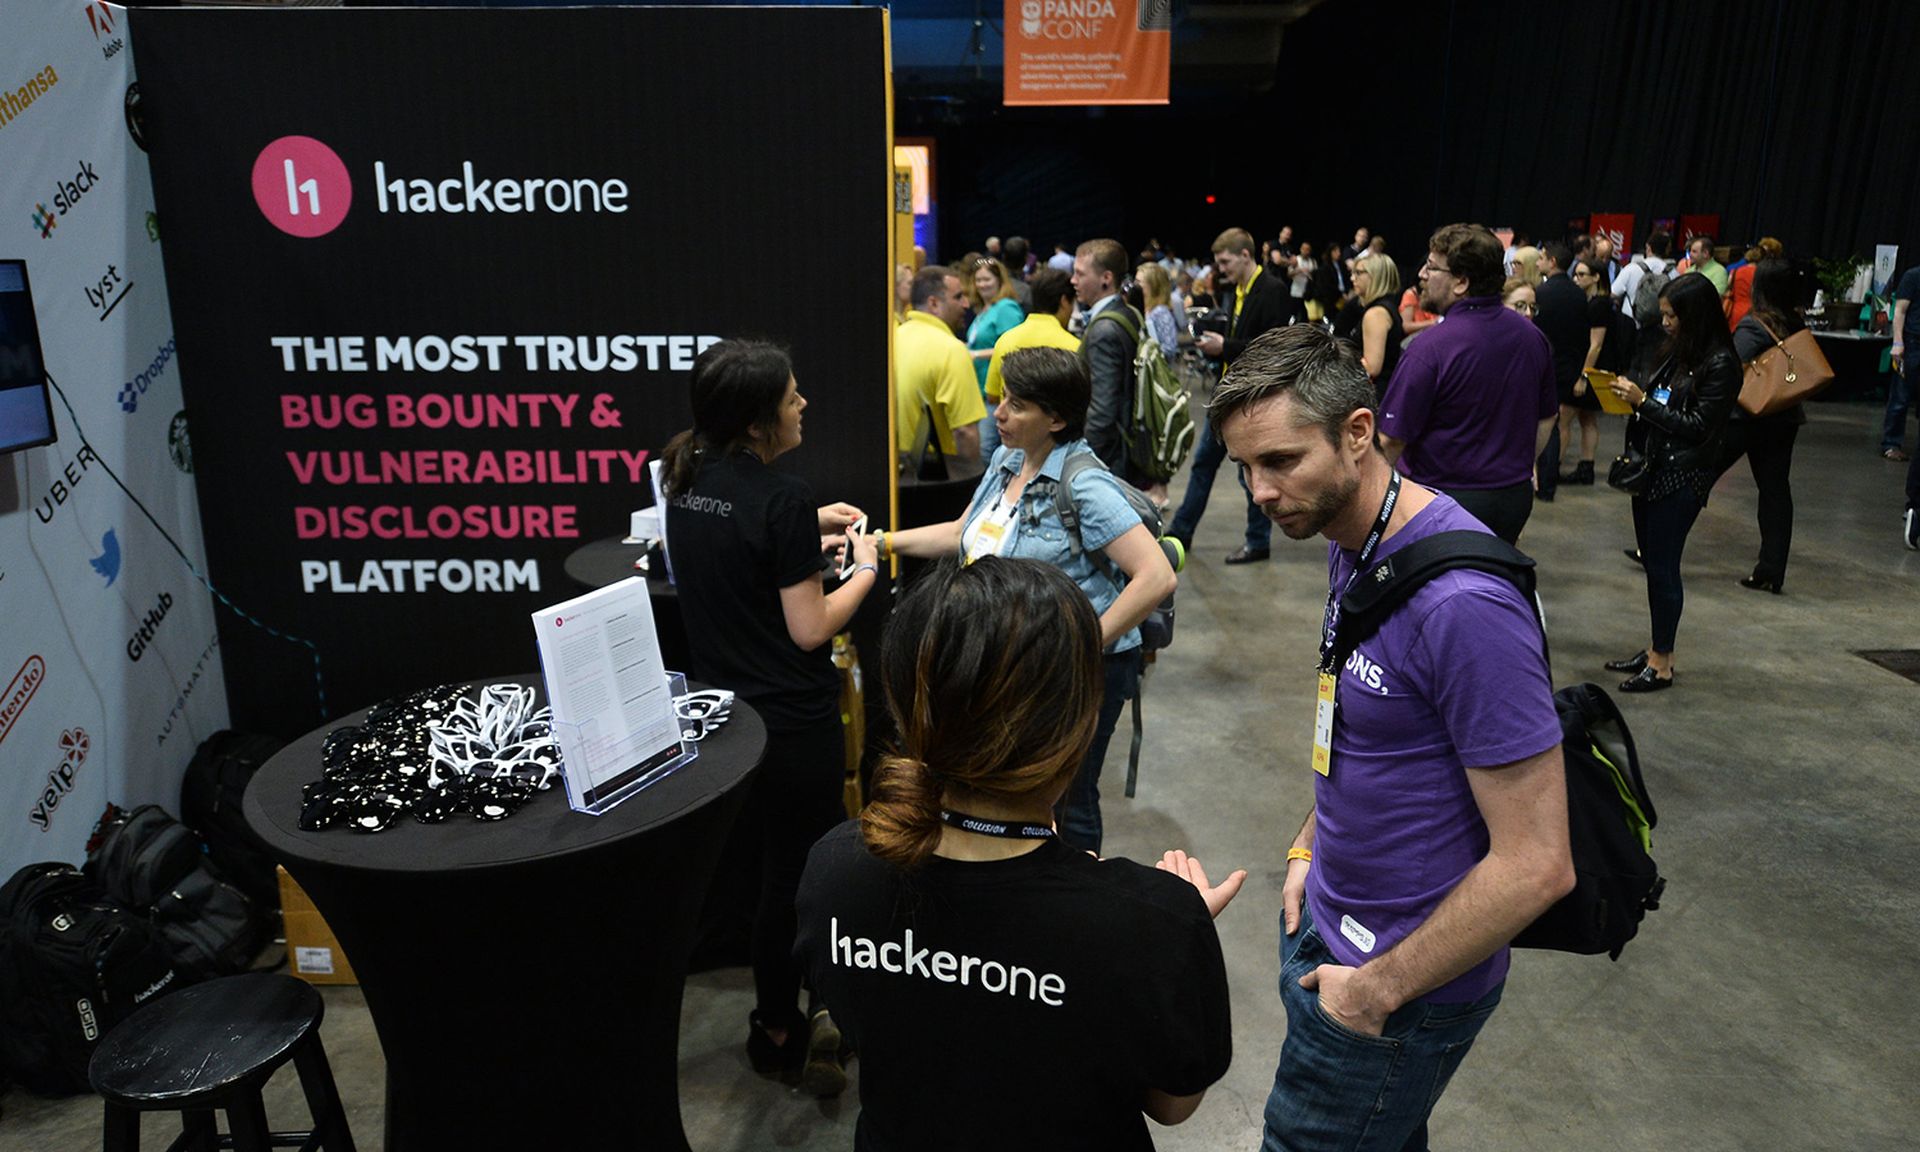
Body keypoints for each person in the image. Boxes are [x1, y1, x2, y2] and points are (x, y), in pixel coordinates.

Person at [1210, 324, 1574, 1152]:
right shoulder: (1355, 540)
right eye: (1245, 468)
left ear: (1359, 433)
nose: (1260, 492)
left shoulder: (1464, 606)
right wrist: (1311, 844)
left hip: (1394, 992)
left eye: (1280, 461)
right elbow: (1366, 723)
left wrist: (1374, 992)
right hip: (1333, 927)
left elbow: (1539, 863)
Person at [793, 556, 1236, 1150]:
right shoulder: (1155, 922)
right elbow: (1170, 1104)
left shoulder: (834, 869)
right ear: (1077, 724)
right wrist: (1168, 945)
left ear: (908, 707)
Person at [659, 340, 881, 1096]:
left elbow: (738, 545)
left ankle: (775, 1025)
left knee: (760, 873)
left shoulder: (685, 477)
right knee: (800, 879)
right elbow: (812, 629)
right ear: (758, 423)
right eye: (791, 397)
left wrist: (805, 529)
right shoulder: (779, 498)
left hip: (724, 723)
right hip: (794, 726)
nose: (804, 405)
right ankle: (801, 1017)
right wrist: (868, 568)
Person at [882, 347, 1177, 854]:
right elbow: (962, 532)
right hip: (1023, 664)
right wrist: (884, 542)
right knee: (1022, 796)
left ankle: (1076, 905)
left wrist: (1080, 644)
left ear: (1056, 419)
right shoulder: (1005, 461)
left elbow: (1156, 576)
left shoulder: (1083, 484)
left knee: (1070, 802)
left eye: (1017, 405)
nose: (999, 413)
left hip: (1088, 670)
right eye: (1002, 399)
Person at [1379, 223, 1558, 544]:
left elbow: (1391, 440)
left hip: (1444, 502)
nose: (1422, 274)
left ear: (1461, 282)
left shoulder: (1430, 347)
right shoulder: (1533, 338)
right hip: (1512, 500)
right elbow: (1547, 417)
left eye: (1432, 267)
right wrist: (1517, 466)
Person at [1604, 273, 1740, 692]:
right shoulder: (1681, 353)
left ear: (1693, 316)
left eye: (1671, 315)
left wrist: (1642, 403)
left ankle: (1662, 662)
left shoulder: (1721, 364)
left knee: (1664, 568)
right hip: (1654, 470)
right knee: (1653, 565)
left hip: (1682, 477)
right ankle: (1654, 650)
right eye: (1663, 313)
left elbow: (1699, 427)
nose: (1664, 322)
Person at [1172, 226, 1292, 564]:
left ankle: (1257, 542)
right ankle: (1181, 533)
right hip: (1228, 398)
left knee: (1251, 476)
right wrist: (1221, 340)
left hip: (1252, 401)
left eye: (1224, 262)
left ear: (1244, 255)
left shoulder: (1273, 290)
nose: (1219, 269)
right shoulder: (1239, 290)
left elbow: (1274, 348)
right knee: (1203, 466)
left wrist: (1225, 345)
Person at [1719, 259, 1810, 593]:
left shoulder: (1754, 324)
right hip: (1784, 417)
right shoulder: (1795, 322)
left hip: (1746, 417)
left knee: (1697, 477)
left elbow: (1732, 365)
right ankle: (1771, 569)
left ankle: (1658, 549)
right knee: (1775, 491)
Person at [1072, 237, 1149, 482]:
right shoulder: (1129, 313)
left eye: (1080, 274)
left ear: (1106, 278)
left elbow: (1103, 409)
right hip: (1127, 444)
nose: (1073, 281)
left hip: (1110, 456)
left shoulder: (1104, 329)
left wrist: (1082, 461)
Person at [895, 266, 986, 463]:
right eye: (958, 296)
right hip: (938, 479)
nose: (966, 304)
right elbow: (965, 433)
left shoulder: (893, 339)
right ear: (934, 303)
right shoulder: (951, 350)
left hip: (895, 475)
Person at [1556, 256, 1631, 485]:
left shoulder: (1598, 305)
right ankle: (1585, 467)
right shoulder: (1598, 302)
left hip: (1591, 371)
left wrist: (1583, 376)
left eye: (1582, 274)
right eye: (1575, 274)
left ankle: (1554, 466)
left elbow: (1596, 344)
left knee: (1564, 417)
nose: (1577, 279)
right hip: (1595, 370)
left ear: (1596, 277)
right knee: (1586, 418)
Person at [982, 267, 1080, 420]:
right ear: (1064, 301)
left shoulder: (1006, 340)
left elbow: (992, 395)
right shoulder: (1076, 347)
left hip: (1012, 436)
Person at [1533, 242, 1590, 499]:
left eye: (1542, 258)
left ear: (1552, 262)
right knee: (1553, 422)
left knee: (1540, 422)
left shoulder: (1541, 293)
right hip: (1568, 368)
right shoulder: (1580, 295)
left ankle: (1536, 482)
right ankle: (1547, 484)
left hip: (1542, 367)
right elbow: (1584, 337)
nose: (1538, 262)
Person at [965, 258, 1026, 456]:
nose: (982, 284)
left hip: (997, 392)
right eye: (978, 280)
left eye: (987, 279)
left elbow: (1013, 347)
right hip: (980, 391)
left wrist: (975, 354)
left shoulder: (1006, 308)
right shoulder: (983, 311)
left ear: (1000, 280)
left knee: (986, 450)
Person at [1331, 252, 1403, 388]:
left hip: (1375, 394)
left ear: (1375, 276)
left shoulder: (1376, 314)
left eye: (1358, 273)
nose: (1352, 278)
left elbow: (1371, 368)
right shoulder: (1384, 307)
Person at [1615, 231, 1675, 379]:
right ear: (1667, 249)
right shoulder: (1673, 272)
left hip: (1630, 327)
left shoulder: (1631, 268)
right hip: (1660, 328)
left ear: (1648, 247)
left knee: (1627, 367)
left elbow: (1614, 293)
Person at [1883, 261, 1920, 463]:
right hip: (1912, 343)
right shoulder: (1913, 275)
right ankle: (1891, 443)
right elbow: (1900, 310)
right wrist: (1898, 342)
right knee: (1900, 398)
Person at [1136, 261, 1180, 358]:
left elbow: (1169, 349)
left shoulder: (1161, 312)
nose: (1135, 285)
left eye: (1139, 281)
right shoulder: (1146, 308)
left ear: (1152, 285)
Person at [1287, 241, 1318, 324]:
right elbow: (1289, 274)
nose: (1305, 251)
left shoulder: (1313, 262)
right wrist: (1299, 270)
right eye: (1304, 249)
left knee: (1306, 317)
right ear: (1300, 249)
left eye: (1307, 249)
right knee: (1294, 316)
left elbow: (1316, 277)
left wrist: (1310, 275)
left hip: (1308, 294)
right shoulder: (1296, 260)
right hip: (1296, 293)